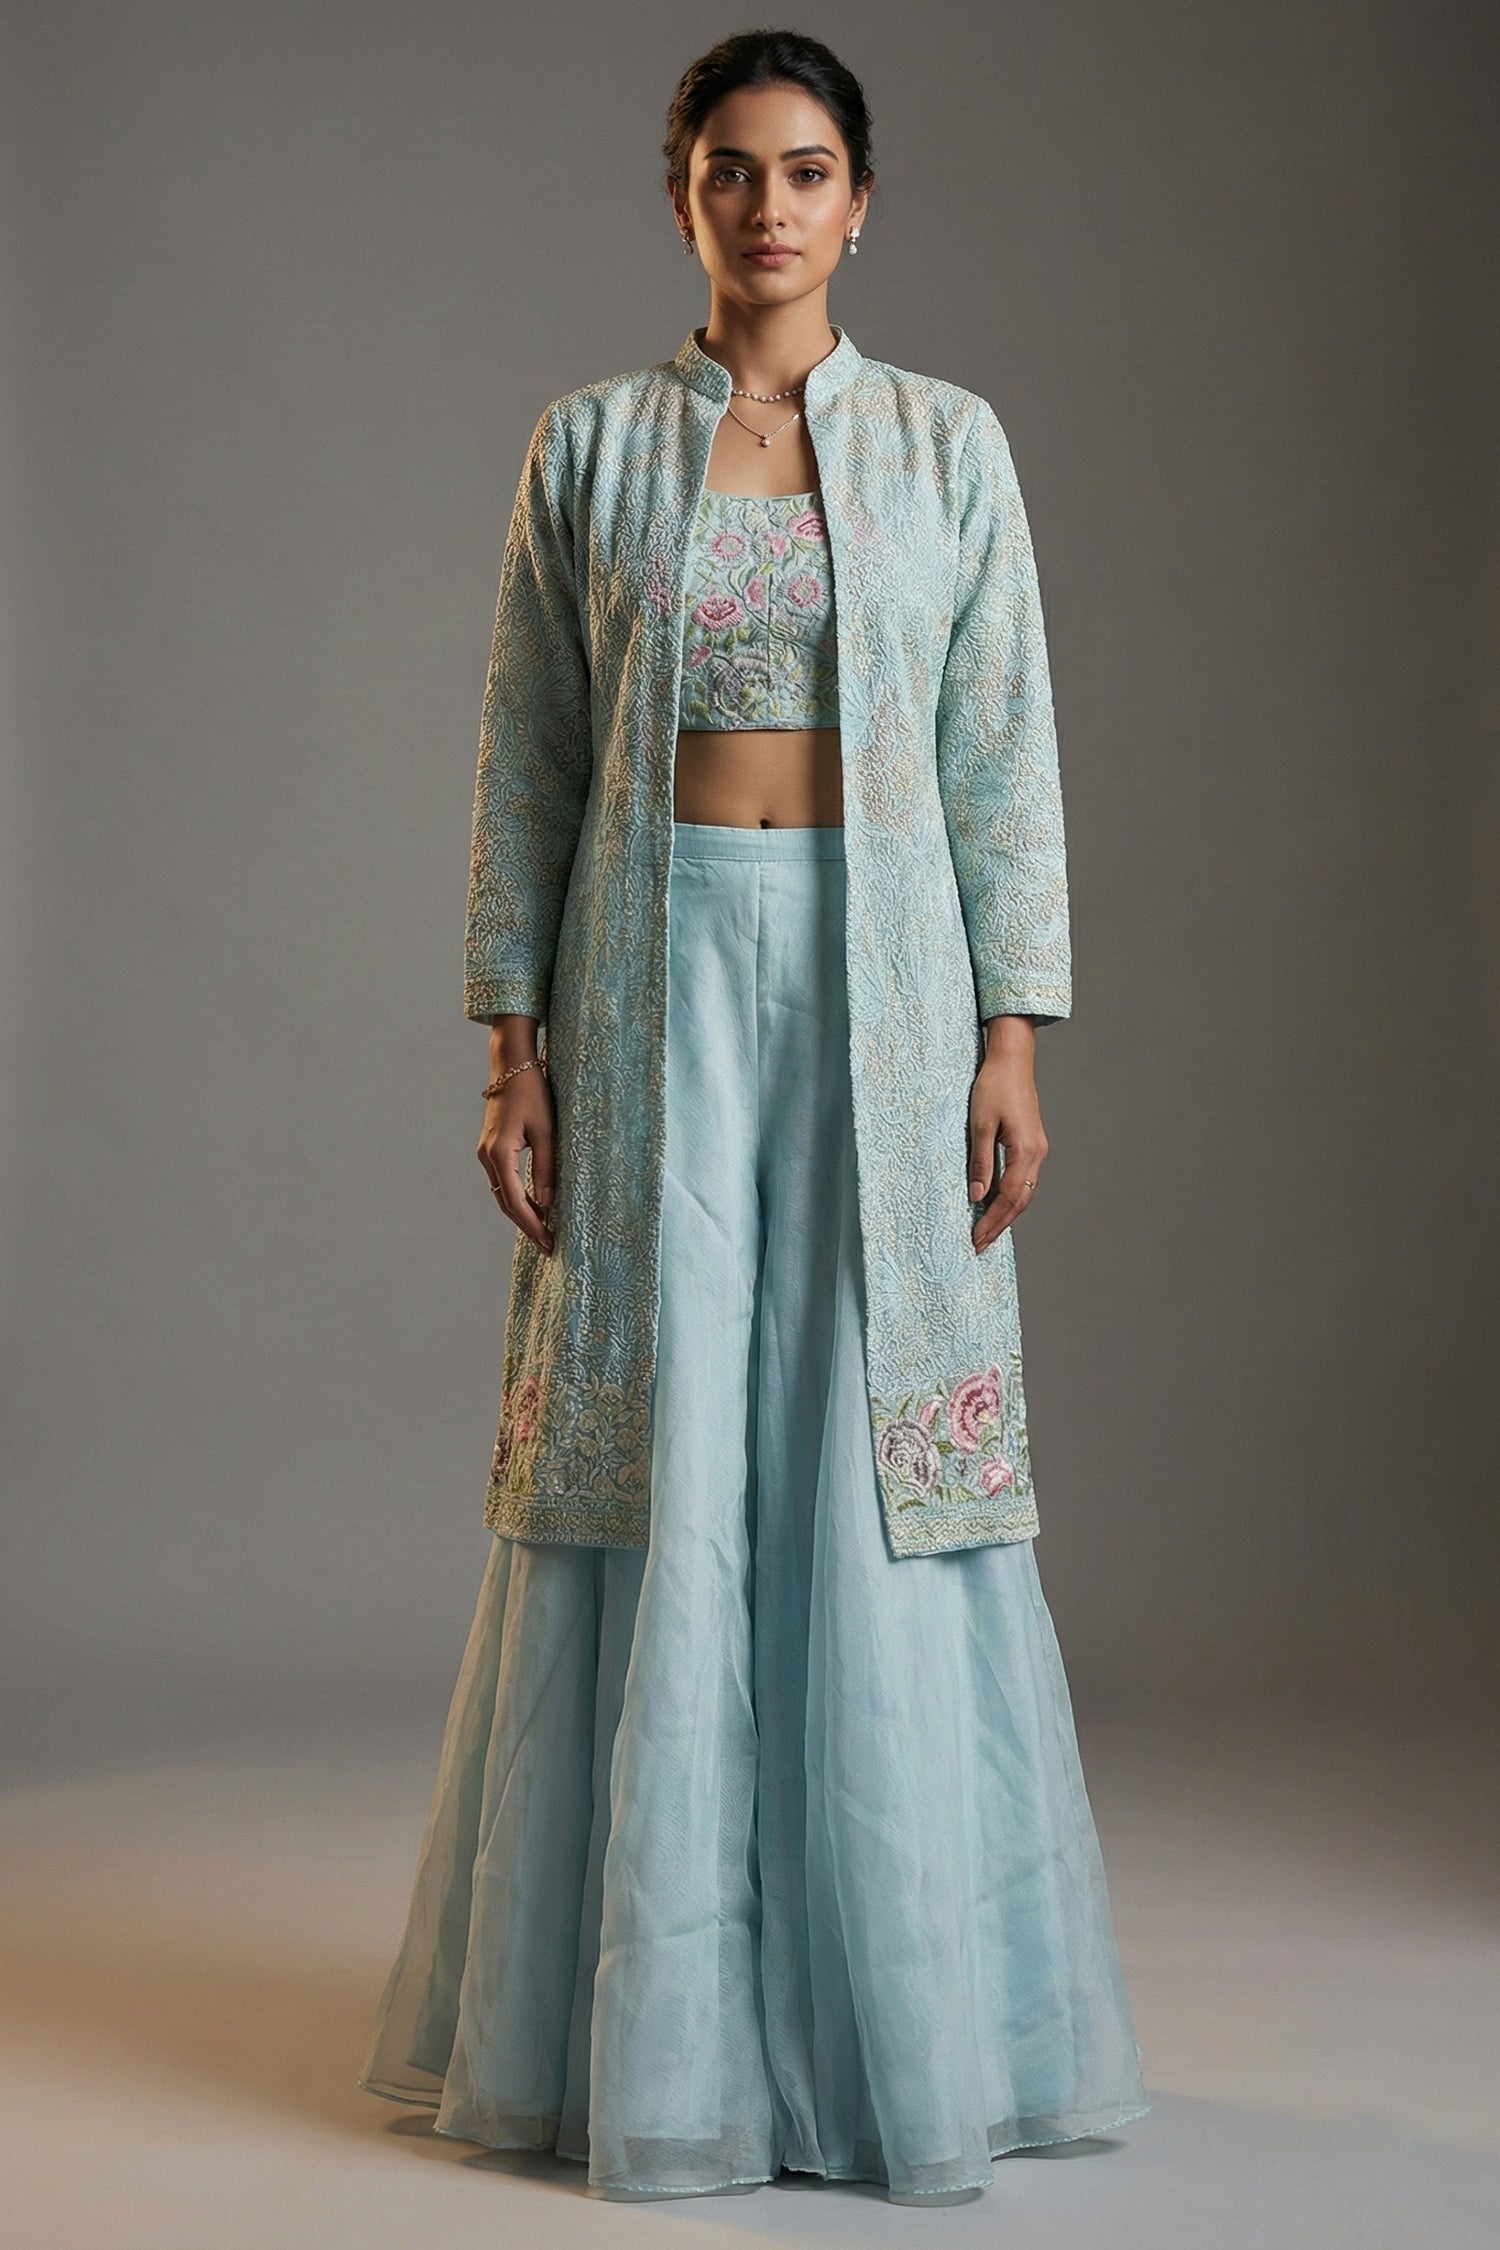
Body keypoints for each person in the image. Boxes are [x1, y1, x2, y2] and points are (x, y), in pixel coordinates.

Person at [359, 26, 1149, 2207]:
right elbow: (528, 749)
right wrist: (510, 1044)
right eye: (732, 168)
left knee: (862, 1434)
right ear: (682, 196)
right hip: (654, 973)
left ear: (860, 205)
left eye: (807, 170)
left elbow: (1003, 747)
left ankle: (896, 2030)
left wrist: (1012, 1039)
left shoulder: (946, 445)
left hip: (884, 984)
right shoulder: (594, 448)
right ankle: (649, 2038)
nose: (770, 205)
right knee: (668, 1426)